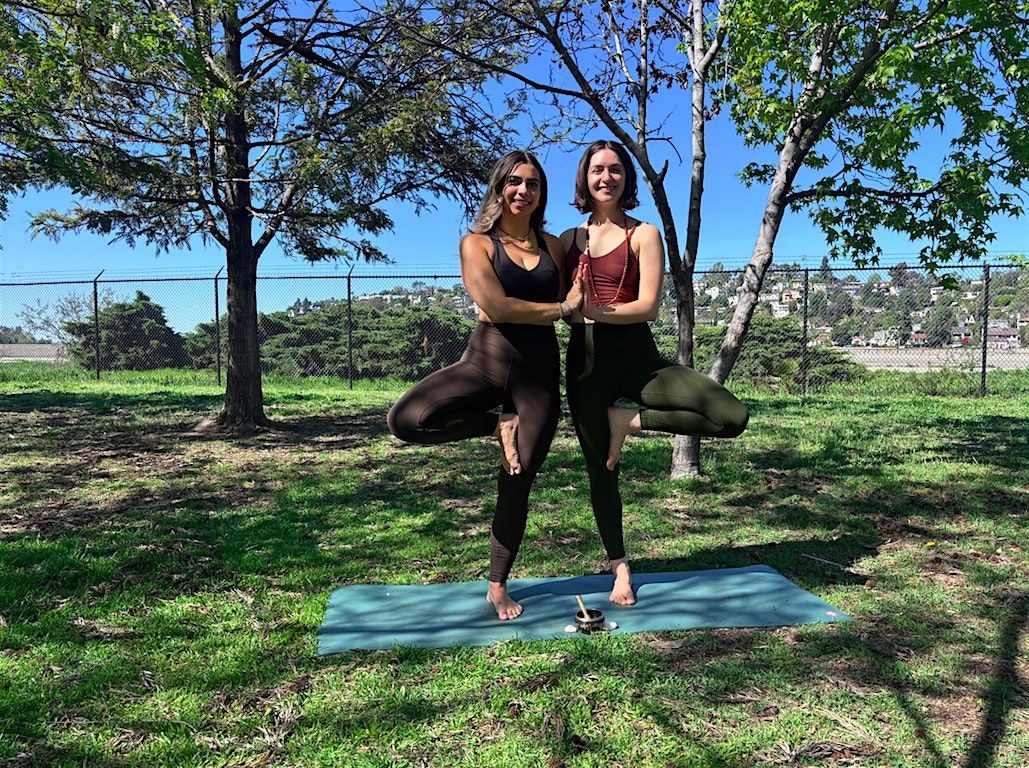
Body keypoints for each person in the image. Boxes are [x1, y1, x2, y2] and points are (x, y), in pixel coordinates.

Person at [387, 150, 584, 621]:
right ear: (499, 188)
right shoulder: (477, 244)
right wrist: (557, 310)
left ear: (542, 194)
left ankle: (497, 587)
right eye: (514, 182)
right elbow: (495, 307)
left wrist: (566, 303)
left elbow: (578, 293)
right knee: (407, 420)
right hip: (485, 362)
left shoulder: (554, 247)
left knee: (517, 482)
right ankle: (496, 424)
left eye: (533, 184)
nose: (523, 190)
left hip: (537, 377)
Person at [560, 140, 749, 606]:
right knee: (602, 471)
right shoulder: (569, 240)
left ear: (627, 179)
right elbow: (560, 305)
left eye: (616, 170)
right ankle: (620, 567)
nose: (606, 177)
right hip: (585, 367)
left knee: (730, 416)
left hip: (641, 361)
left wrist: (593, 311)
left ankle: (629, 421)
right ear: (585, 178)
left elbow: (647, 307)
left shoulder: (642, 234)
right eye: (598, 170)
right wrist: (568, 310)